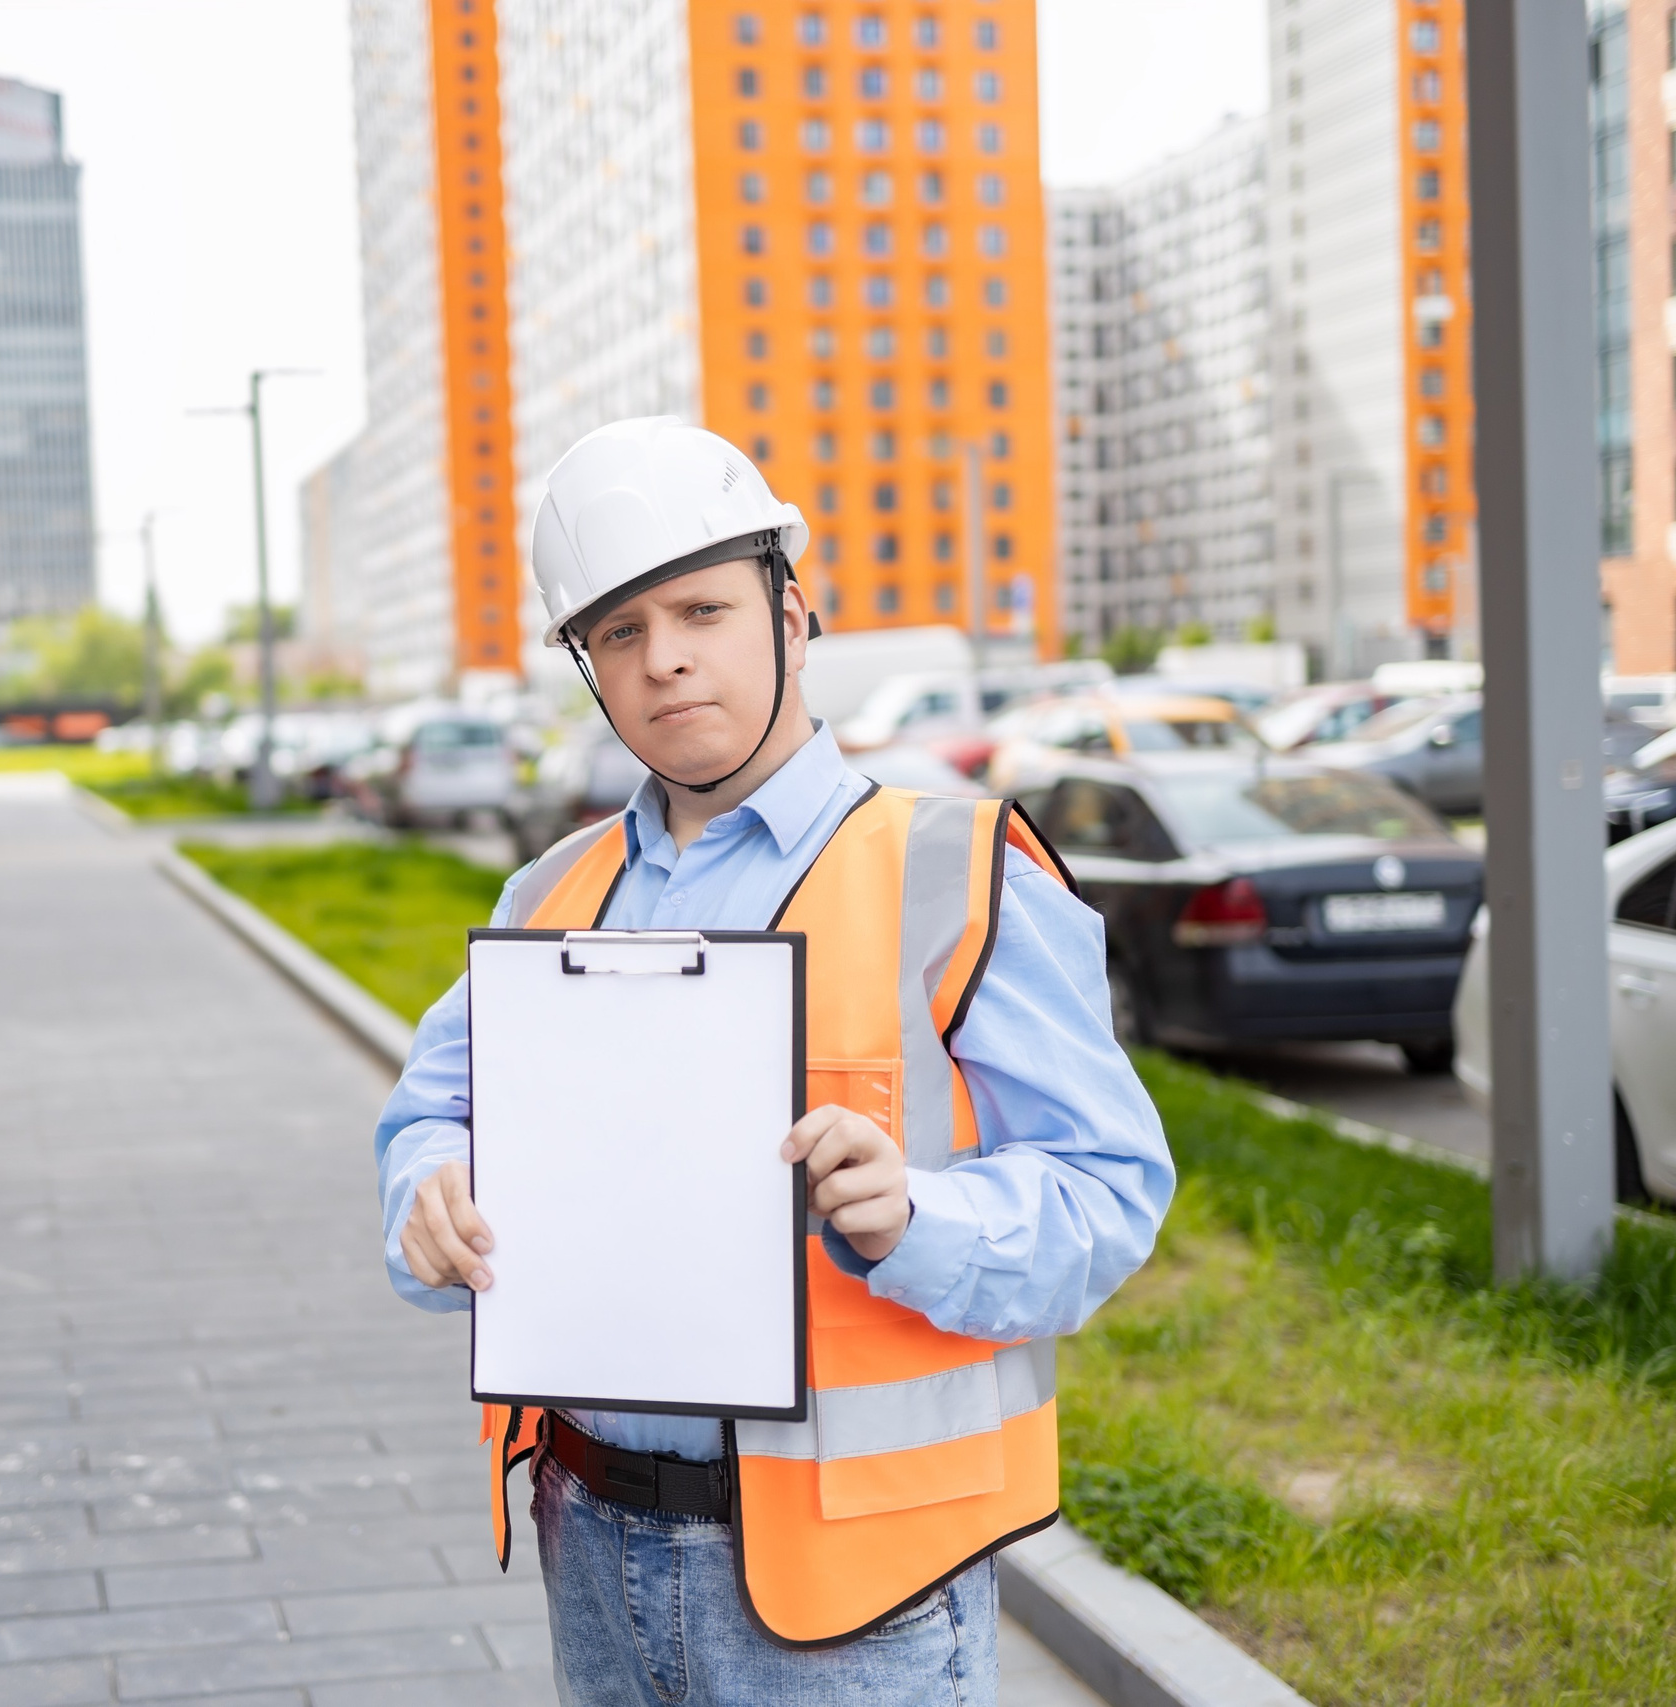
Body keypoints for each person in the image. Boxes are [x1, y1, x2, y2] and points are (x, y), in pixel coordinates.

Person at [371, 419, 1172, 1704]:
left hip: (863, 1596)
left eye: (699, 608)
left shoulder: (951, 875)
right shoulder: (544, 898)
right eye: (618, 634)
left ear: (793, 612)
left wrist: (920, 1210)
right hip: (592, 1545)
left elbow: (1110, 1198)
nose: (665, 659)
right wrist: (426, 1185)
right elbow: (433, 1116)